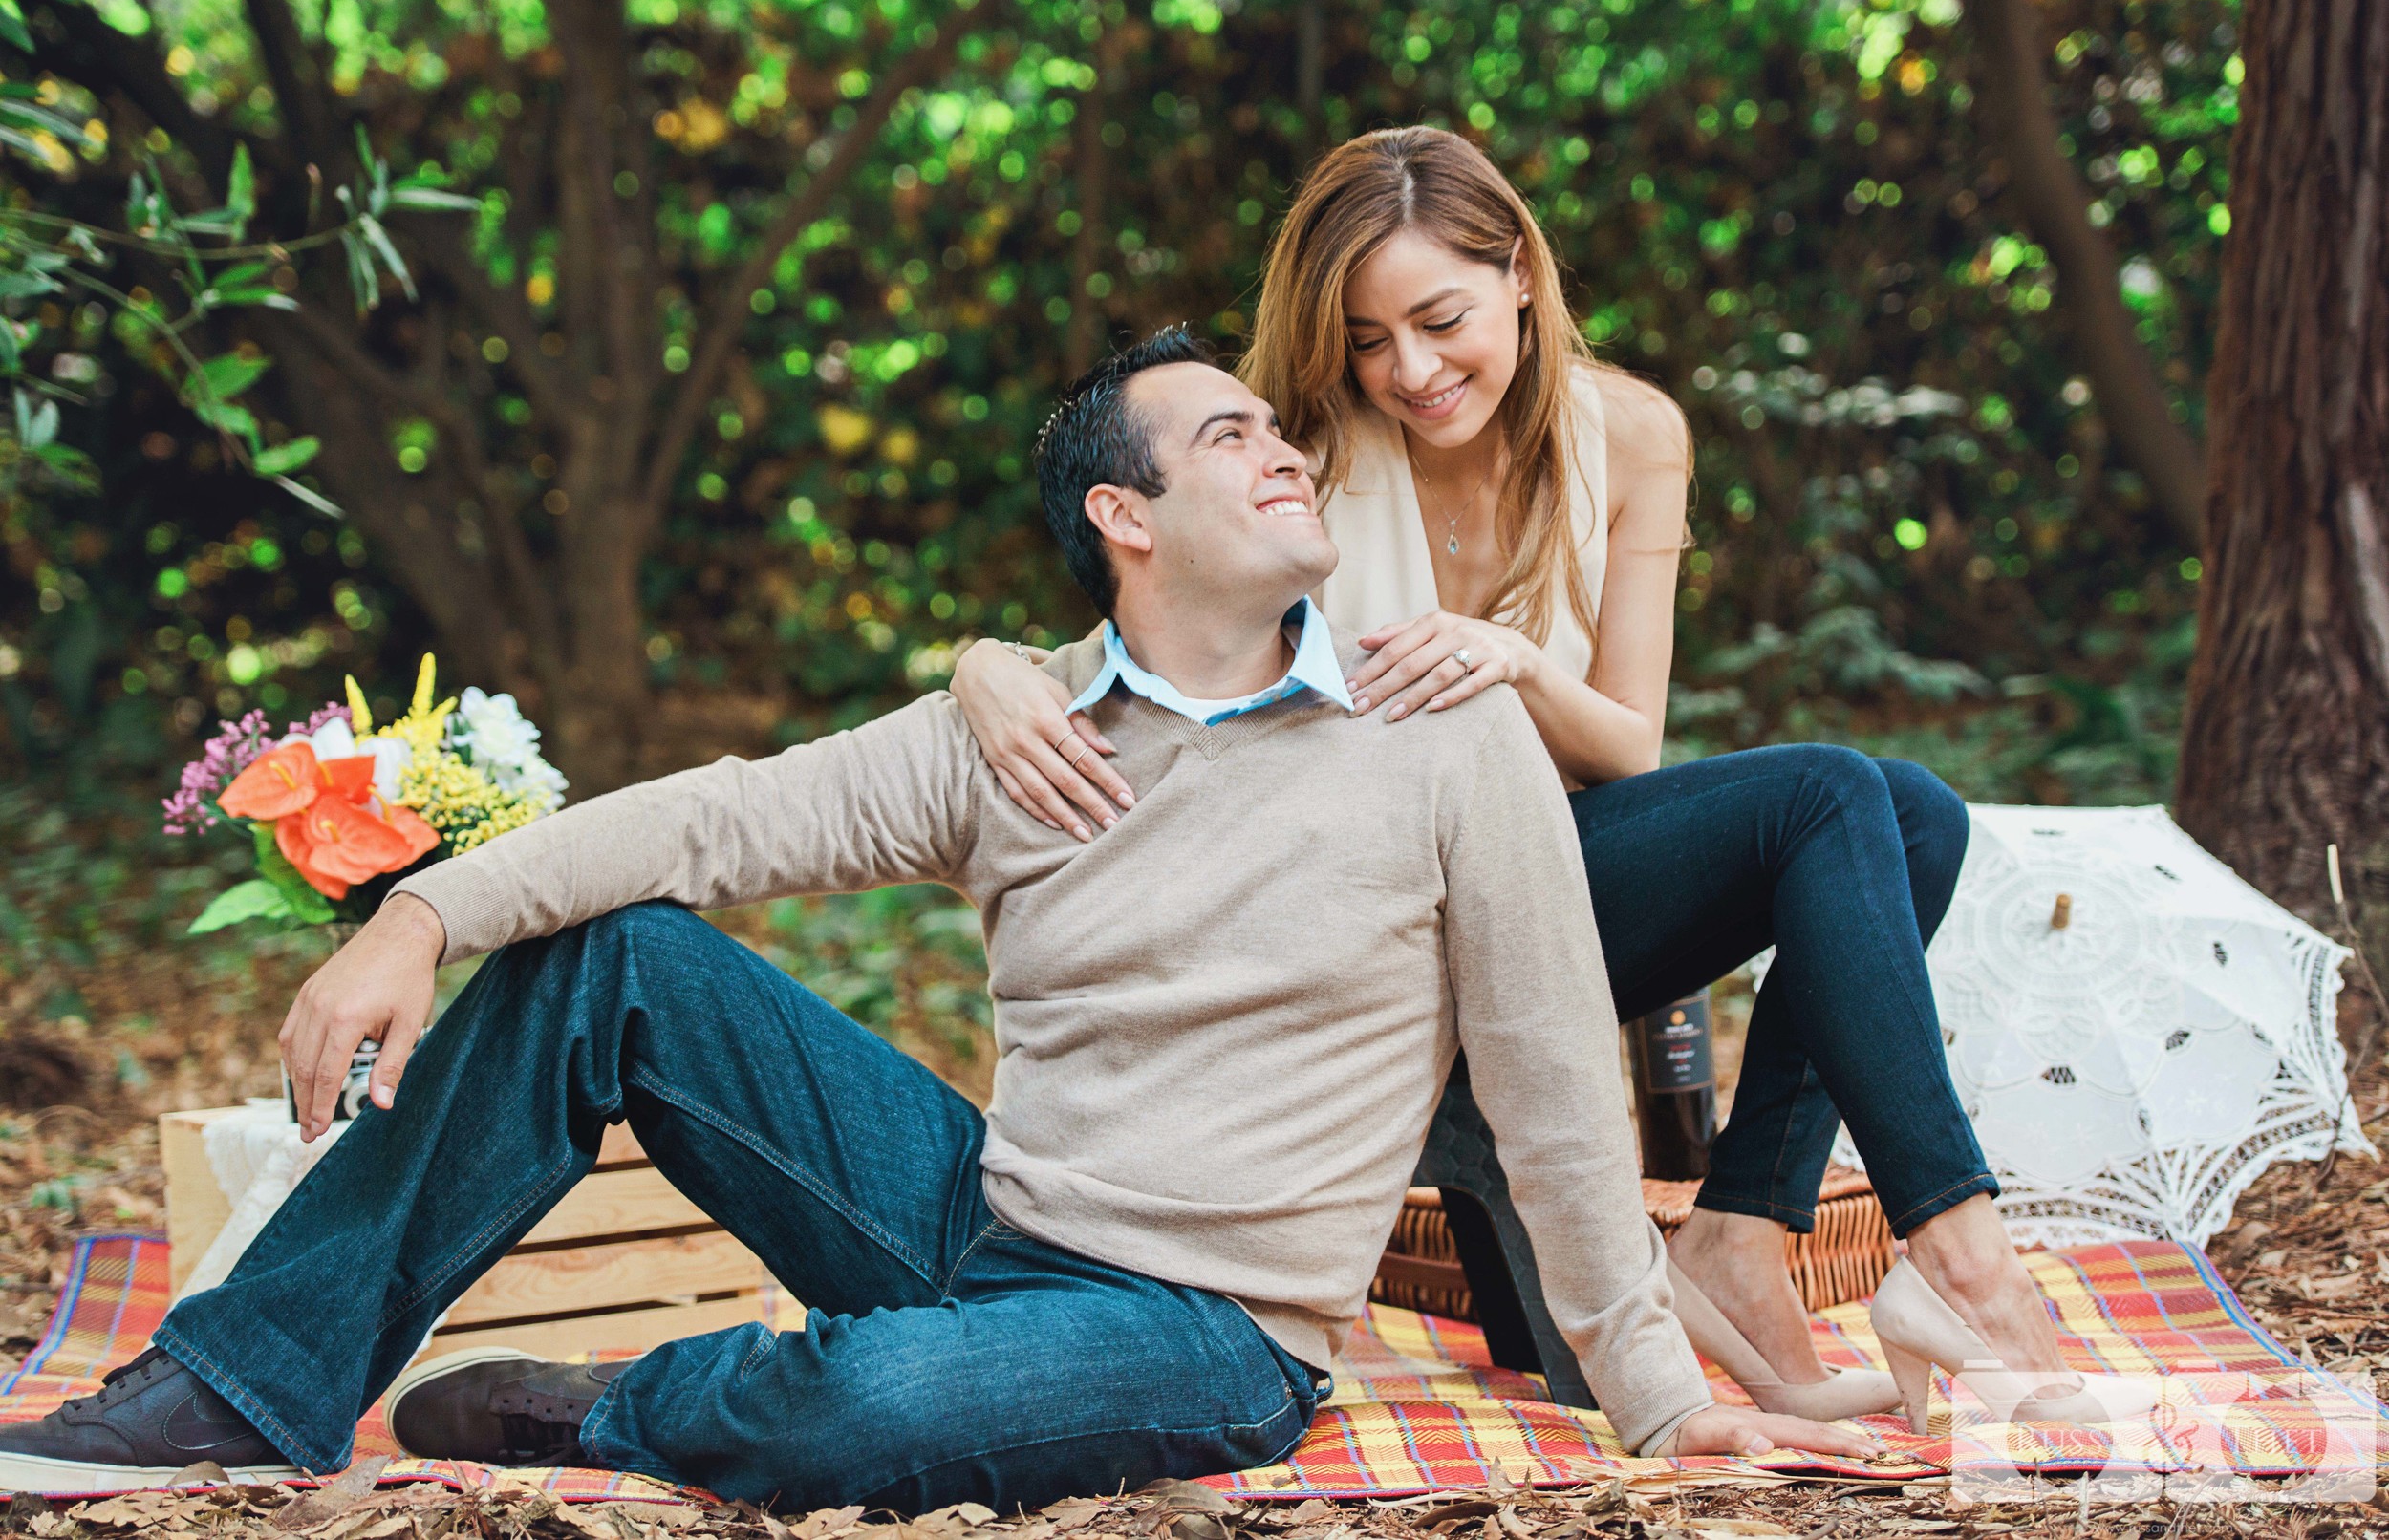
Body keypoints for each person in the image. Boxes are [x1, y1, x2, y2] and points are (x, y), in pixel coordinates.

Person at [0, 330, 1880, 1508]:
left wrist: (1653, 1404)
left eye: (1272, 431)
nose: (1283, 449)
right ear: (1121, 519)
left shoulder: (1437, 721)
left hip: (1214, 1329)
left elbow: (1553, 1072)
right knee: (614, 952)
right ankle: (251, 1382)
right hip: (973, 1211)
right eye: (1227, 438)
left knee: (864, 1412)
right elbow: (715, 823)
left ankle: (621, 1407)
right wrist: (416, 909)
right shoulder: (1016, 728)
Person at [949, 128, 2145, 1431]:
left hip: (1534, 889)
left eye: (1440, 317)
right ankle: (1969, 1270)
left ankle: (1741, 1238)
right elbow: (1131, 598)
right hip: (1370, 922)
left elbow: (1628, 741)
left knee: (1910, 811)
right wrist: (983, 665)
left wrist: (1509, 660)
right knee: (1833, 796)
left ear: (1519, 272)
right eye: (1366, 337)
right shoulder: (1291, 445)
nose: (1409, 369)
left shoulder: (1630, 434)